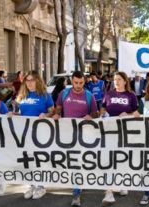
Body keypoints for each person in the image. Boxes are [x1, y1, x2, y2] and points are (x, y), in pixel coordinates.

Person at [52, 71, 99, 206]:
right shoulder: (64, 93)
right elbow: (58, 108)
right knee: (71, 161)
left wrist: (91, 117)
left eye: (81, 83)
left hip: (84, 134)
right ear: (71, 81)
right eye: (76, 82)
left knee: (79, 161)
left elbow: (95, 114)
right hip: (67, 133)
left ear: (84, 82)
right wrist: (56, 114)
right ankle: (77, 184)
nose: (78, 85)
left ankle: (76, 192)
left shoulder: (89, 96)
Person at [13, 70, 54, 200]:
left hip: (40, 134)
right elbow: (22, 113)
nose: (29, 83)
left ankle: (41, 186)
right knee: (27, 159)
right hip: (24, 133)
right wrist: (14, 115)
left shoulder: (45, 95)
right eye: (27, 80)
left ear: (38, 81)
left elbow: (52, 112)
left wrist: (46, 115)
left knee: (38, 159)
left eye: (32, 80)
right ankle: (31, 184)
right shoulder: (22, 96)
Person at [100, 71, 138, 204]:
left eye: (119, 79)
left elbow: (136, 113)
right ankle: (109, 192)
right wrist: (104, 115)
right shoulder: (109, 94)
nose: (116, 81)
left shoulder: (131, 95)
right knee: (109, 160)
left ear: (125, 81)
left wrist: (127, 114)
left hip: (125, 131)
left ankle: (123, 183)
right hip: (109, 131)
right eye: (115, 79)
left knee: (122, 158)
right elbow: (103, 110)